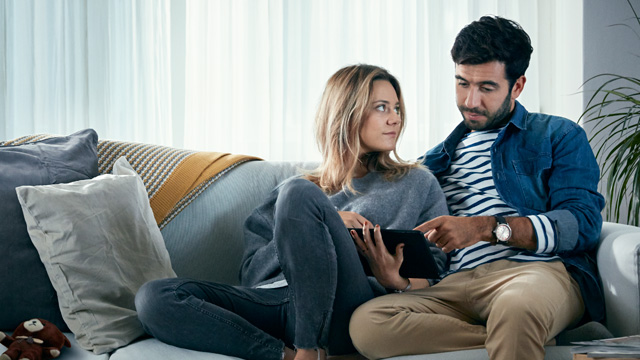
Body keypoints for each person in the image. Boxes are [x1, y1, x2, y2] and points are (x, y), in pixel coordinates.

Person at [134, 64, 448, 360]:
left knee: (299, 194)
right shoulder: (295, 191)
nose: (395, 118)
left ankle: (309, 346)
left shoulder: (417, 182)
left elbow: (437, 271)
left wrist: (396, 280)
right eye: (381, 107)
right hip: (279, 303)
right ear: (346, 113)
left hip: (348, 309)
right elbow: (253, 273)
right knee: (154, 298)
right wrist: (322, 226)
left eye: (396, 108)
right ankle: (286, 355)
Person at [349, 16, 606, 360]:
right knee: (367, 324)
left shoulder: (557, 135)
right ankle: (538, 338)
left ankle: (525, 327)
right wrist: (400, 279)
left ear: (517, 86)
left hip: (534, 272)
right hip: (453, 286)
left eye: (486, 88)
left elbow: (583, 223)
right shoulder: (432, 162)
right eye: (462, 83)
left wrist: (487, 228)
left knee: (517, 308)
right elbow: (430, 258)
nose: (470, 101)